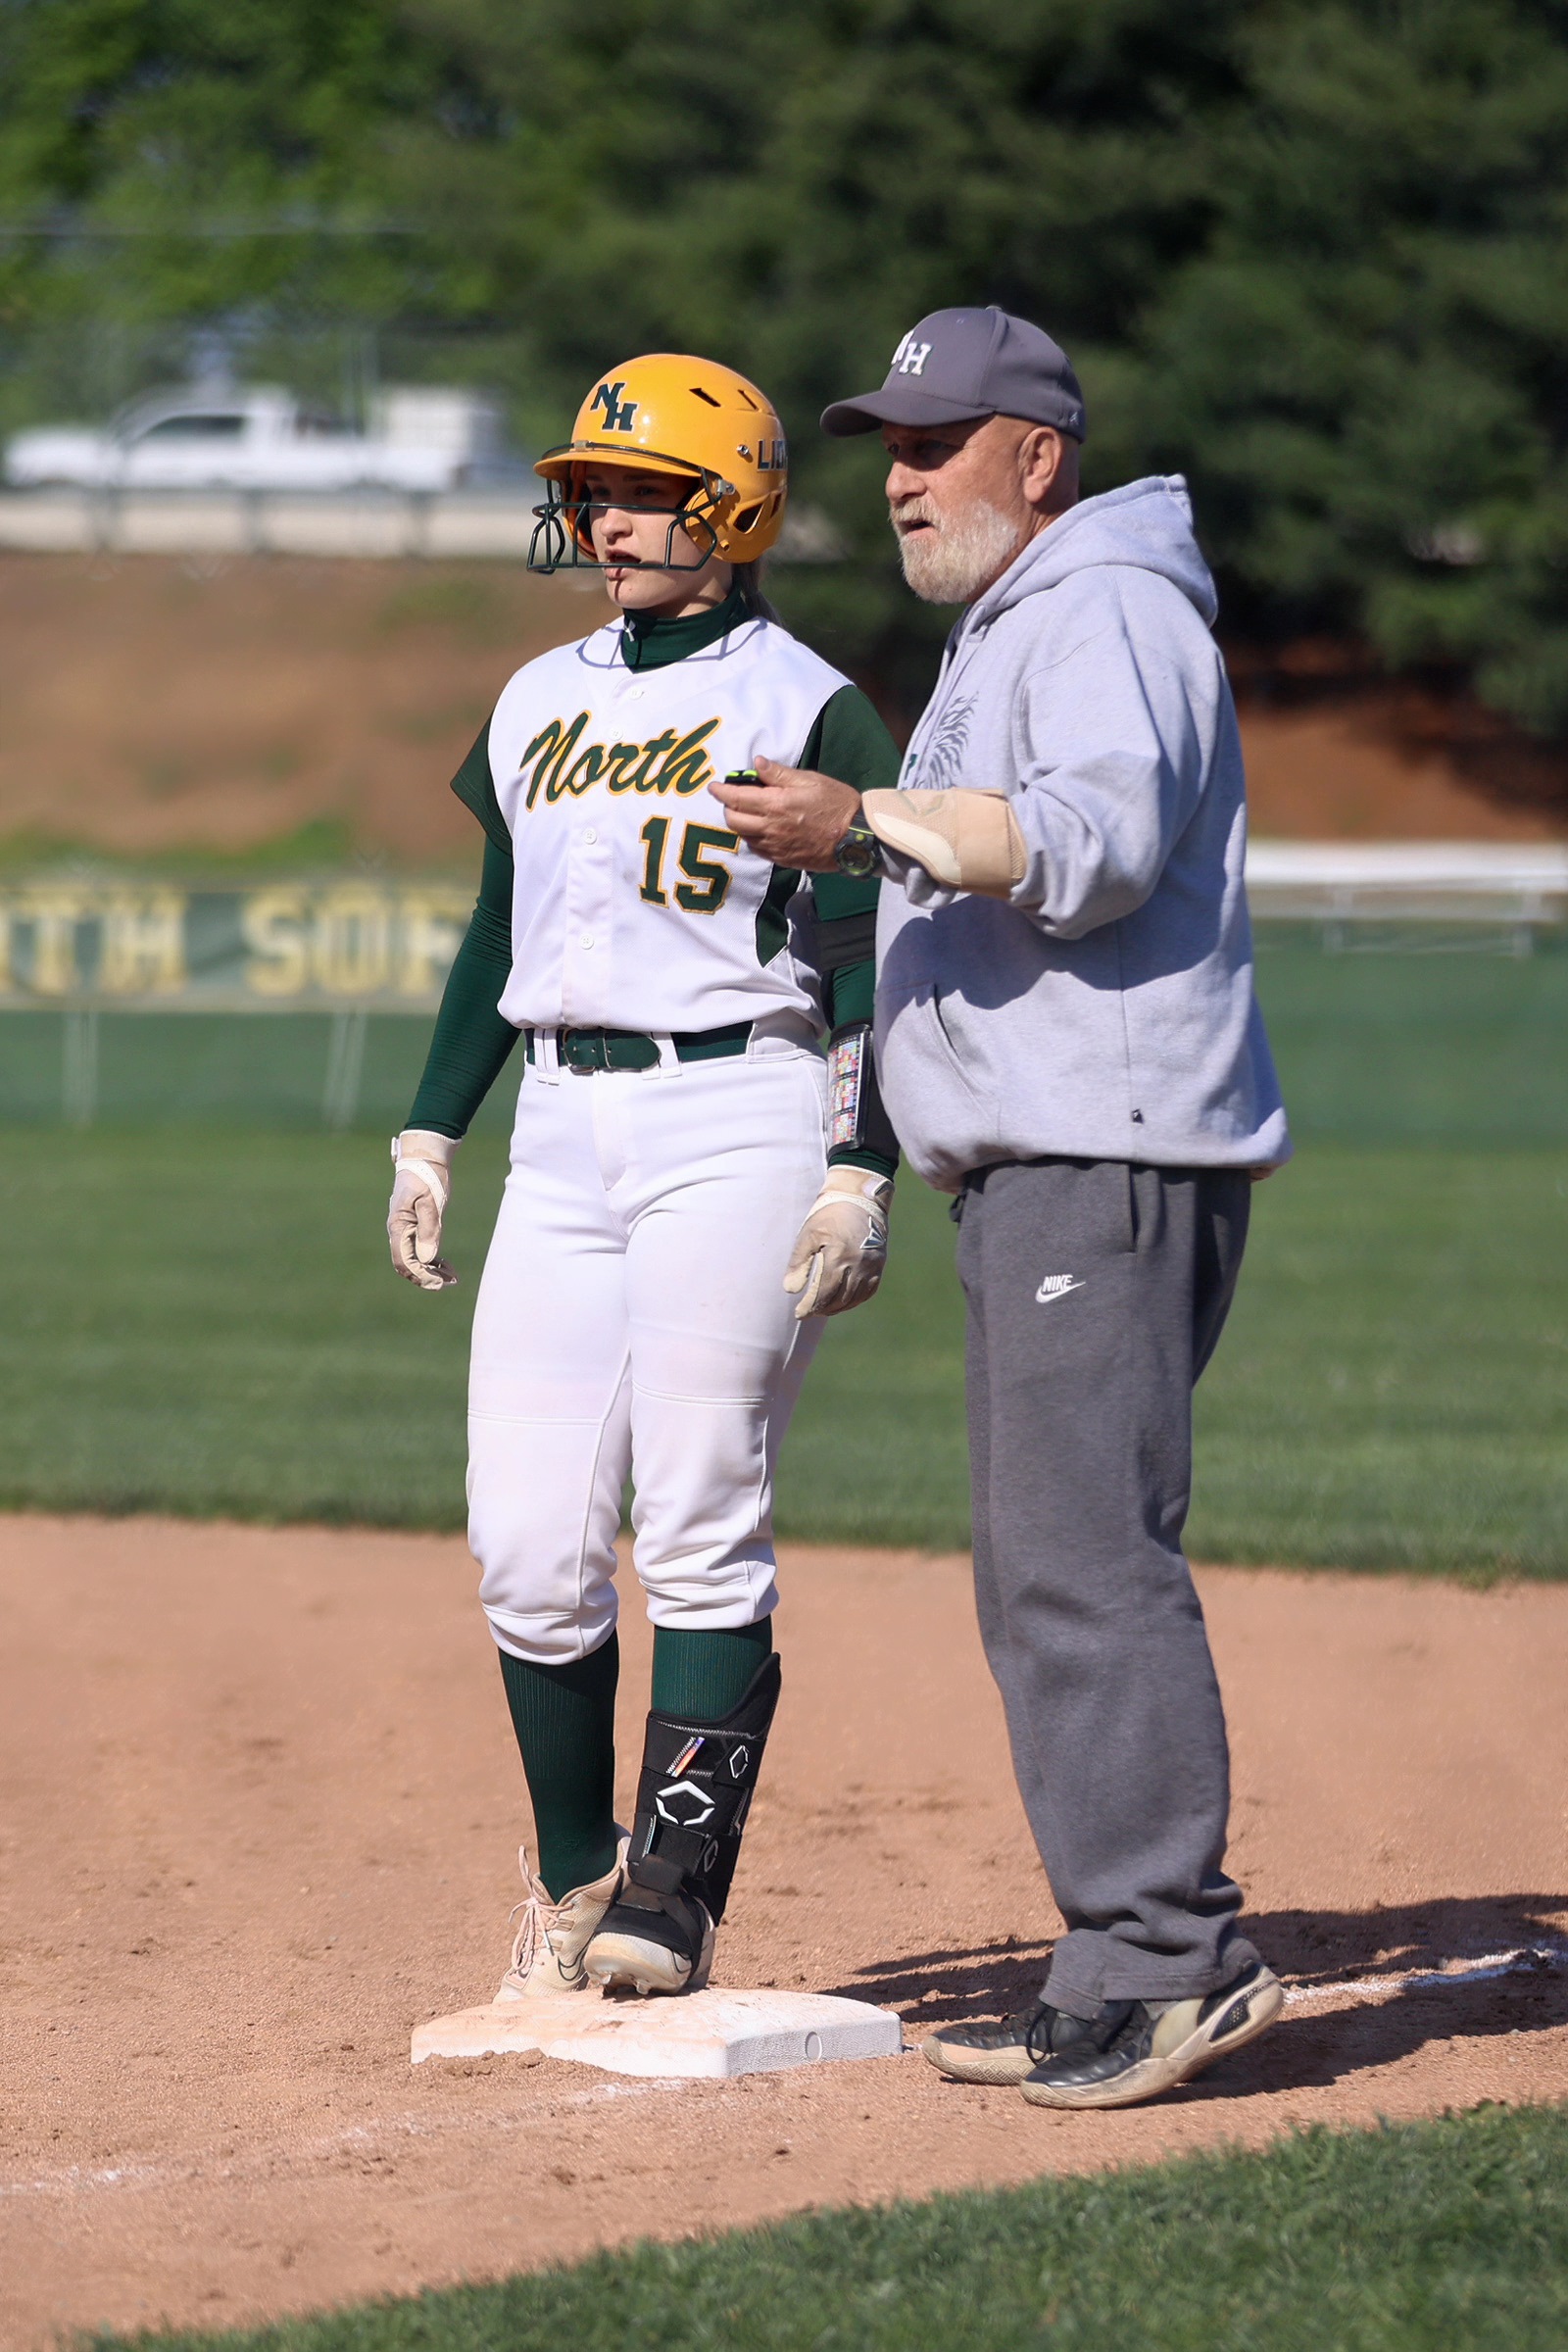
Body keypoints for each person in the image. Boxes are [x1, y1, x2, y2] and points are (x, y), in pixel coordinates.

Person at [710, 306, 1292, 2110]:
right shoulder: (1021, 621)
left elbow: (1094, 847)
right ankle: (1118, 1963)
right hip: (1048, 1151)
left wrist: (865, 819)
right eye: (889, 443)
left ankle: (1171, 1960)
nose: (900, 475)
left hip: (1098, 1148)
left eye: (938, 440)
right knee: (1053, 1560)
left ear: (1039, 457)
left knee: (1079, 1562)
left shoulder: (1105, 606)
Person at [388, 354, 901, 2003]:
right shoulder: (538, 697)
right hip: (555, 1122)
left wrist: (857, 1162)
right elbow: (499, 931)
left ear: (731, 508)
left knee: (697, 1511)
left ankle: (672, 1901)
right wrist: (429, 1127)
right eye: (590, 487)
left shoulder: (805, 702)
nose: (599, 511)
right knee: (527, 1545)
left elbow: (862, 940)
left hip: (734, 1110)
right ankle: (571, 1878)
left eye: (640, 489)